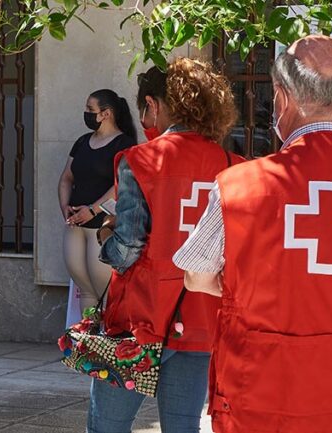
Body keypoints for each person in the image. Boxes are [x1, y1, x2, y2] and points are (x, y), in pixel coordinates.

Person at [173, 35, 332, 433]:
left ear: (283, 99)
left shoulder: (239, 186)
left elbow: (196, 277)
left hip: (260, 395)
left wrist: (243, 282)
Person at [91, 58, 241, 433]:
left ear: (153, 105)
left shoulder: (139, 160)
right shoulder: (233, 165)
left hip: (137, 320)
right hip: (200, 321)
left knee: (107, 427)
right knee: (182, 427)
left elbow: (127, 250)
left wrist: (104, 235)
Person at [58, 89, 138, 312]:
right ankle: (87, 342)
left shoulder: (125, 144)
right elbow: (66, 178)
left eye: (90, 110)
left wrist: (92, 211)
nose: (86, 114)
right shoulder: (82, 142)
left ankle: (109, 343)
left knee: (104, 289)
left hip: (103, 227)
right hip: (75, 225)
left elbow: (121, 184)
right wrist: (65, 207)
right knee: (86, 290)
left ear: (106, 114)